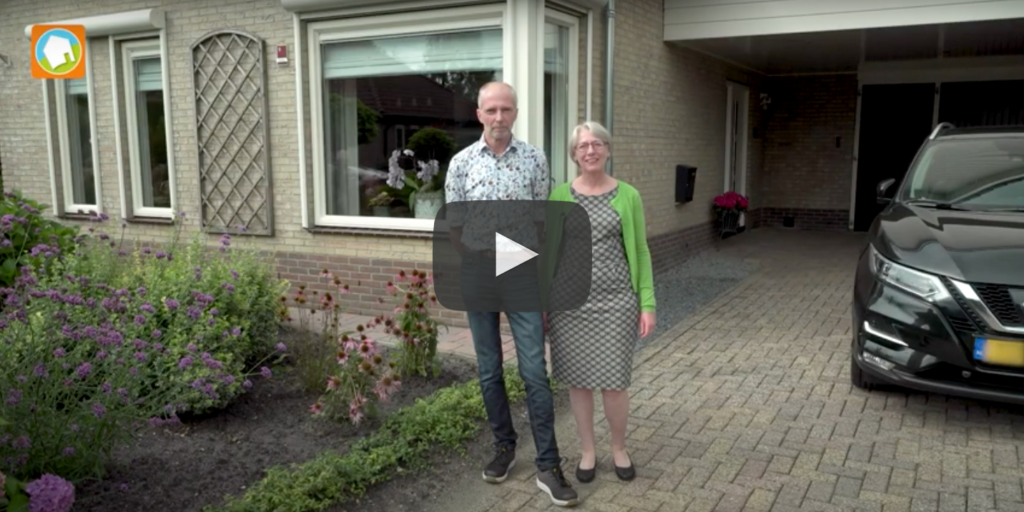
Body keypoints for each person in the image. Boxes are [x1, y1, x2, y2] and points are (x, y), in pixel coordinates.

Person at [443, 81, 578, 507]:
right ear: (479, 114)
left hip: (520, 268)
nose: (499, 117)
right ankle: (504, 447)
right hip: (478, 270)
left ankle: (548, 464)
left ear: (515, 112)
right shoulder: (461, 163)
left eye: (506, 109)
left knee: (534, 369)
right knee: (488, 369)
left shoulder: (535, 159)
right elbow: (454, 226)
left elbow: (542, 222)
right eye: (491, 110)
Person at [540, 120, 656, 483]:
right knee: (578, 381)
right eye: (583, 146)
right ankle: (588, 451)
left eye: (597, 144)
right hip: (569, 305)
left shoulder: (629, 195)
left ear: (607, 149)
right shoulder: (559, 196)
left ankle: (619, 448)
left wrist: (647, 304)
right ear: (574, 155)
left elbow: (640, 250)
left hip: (617, 302)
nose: (590, 150)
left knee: (615, 381)